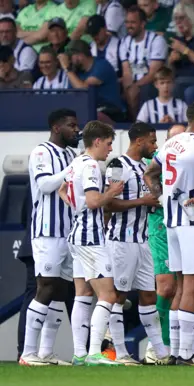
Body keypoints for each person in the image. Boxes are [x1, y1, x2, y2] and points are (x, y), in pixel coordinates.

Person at [144, 101, 194, 366]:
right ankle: (187, 354)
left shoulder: (170, 144)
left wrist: (162, 198)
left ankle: (176, 351)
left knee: (178, 284)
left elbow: (149, 173)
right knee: (192, 285)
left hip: (172, 223)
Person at [100, 123, 167, 366]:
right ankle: (122, 353)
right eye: (152, 141)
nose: (155, 146)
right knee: (118, 295)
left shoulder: (145, 168)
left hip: (143, 240)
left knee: (149, 295)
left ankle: (160, 352)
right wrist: (143, 201)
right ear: (139, 141)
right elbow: (108, 203)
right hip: (121, 240)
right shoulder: (117, 165)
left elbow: (149, 200)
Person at [18, 109, 79, 367]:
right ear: (56, 127)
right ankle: (28, 353)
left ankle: (46, 352)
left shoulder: (70, 154)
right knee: (45, 285)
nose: (76, 130)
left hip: (69, 230)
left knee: (62, 289)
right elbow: (44, 185)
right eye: (71, 126)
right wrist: (73, 169)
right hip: (48, 230)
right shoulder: (41, 152)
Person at [61, 121, 124, 366]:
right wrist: (112, 192)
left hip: (77, 234)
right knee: (108, 295)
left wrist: (76, 207)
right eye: (108, 144)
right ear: (97, 141)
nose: (110, 149)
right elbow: (94, 201)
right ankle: (95, 352)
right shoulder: (90, 166)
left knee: (83, 294)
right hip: (91, 237)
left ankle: (79, 353)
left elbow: (62, 189)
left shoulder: (75, 163)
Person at [143, 123, 184, 365]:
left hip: (184, 225)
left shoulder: (191, 162)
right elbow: (150, 190)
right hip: (160, 223)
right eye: (174, 138)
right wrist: (162, 200)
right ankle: (154, 346)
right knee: (166, 288)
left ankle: (172, 348)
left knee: (181, 289)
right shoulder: (157, 164)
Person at [120, 5, 168, 119]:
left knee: (144, 91)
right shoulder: (124, 42)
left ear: (142, 23)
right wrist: (129, 88)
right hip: (133, 83)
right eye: (127, 22)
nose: (129, 26)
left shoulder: (157, 40)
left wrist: (135, 87)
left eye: (133, 22)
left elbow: (153, 74)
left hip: (150, 83)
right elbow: (126, 72)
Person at [60, 40, 127, 122]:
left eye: (70, 57)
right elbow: (71, 95)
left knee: (94, 117)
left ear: (80, 55)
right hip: (88, 111)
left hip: (110, 111)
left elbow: (83, 90)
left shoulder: (102, 65)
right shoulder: (75, 72)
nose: (69, 61)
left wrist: (67, 69)